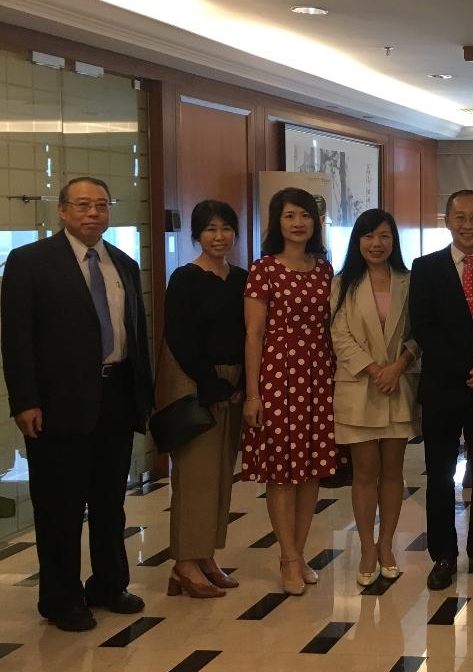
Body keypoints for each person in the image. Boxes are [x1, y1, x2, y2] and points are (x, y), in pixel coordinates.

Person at [0, 176, 153, 631]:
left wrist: (142, 398)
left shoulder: (122, 263)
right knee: (59, 506)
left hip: (116, 396)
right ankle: (61, 598)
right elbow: (17, 339)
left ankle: (109, 584)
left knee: (110, 501)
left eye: (101, 205)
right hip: (57, 403)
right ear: (63, 210)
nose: (93, 213)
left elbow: (135, 337)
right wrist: (24, 401)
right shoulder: (29, 262)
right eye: (83, 205)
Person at [411, 190, 473, 590]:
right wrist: (463, 367)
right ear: (448, 221)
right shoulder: (427, 267)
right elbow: (424, 327)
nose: (468, 225)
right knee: (439, 474)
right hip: (442, 388)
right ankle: (443, 555)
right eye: (461, 217)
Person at [242, 187, 339, 595]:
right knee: (281, 472)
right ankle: (286, 557)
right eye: (289, 215)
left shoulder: (324, 269)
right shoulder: (263, 268)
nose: (298, 223)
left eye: (305, 215)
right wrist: (252, 394)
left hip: (319, 376)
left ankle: (298, 552)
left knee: (313, 469)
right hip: (278, 377)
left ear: (315, 223)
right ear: (277, 223)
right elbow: (253, 334)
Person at [160, 200, 248, 599]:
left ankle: (205, 555)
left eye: (226, 228)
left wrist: (242, 382)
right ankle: (184, 563)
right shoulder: (185, 278)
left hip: (232, 385)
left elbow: (251, 334)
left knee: (220, 475)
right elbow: (180, 338)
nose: (219, 236)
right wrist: (210, 384)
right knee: (195, 477)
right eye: (210, 229)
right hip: (197, 385)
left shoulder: (242, 278)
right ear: (197, 234)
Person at [330, 208, 419, 587]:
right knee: (365, 474)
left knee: (394, 472)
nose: (376, 244)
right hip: (359, 387)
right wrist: (374, 369)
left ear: (393, 240)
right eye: (368, 236)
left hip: (398, 386)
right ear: (358, 241)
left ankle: (387, 545)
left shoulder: (410, 281)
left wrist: (399, 365)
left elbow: (421, 332)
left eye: (384, 236)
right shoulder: (342, 283)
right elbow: (339, 337)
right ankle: (366, 546)